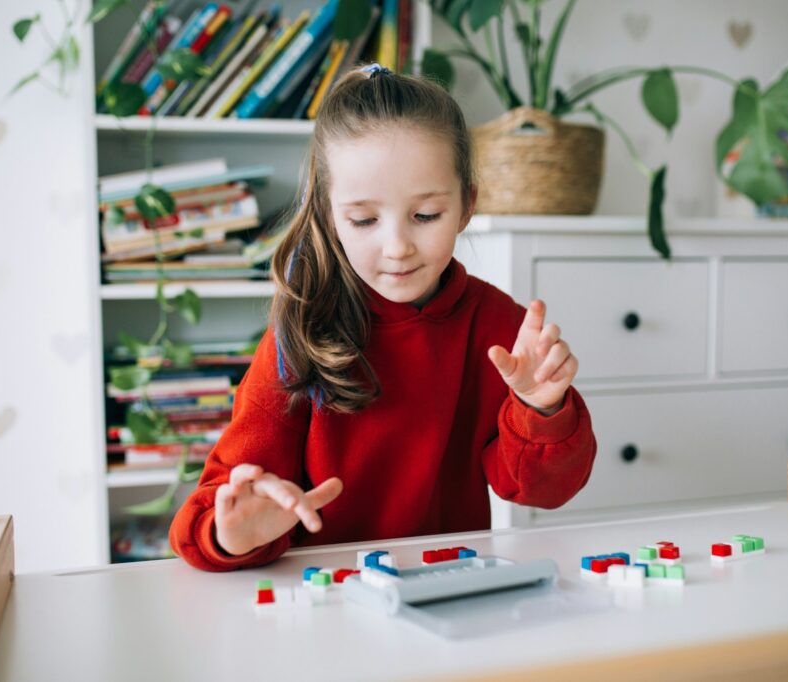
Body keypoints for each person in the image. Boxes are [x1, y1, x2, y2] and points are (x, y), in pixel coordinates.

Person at [169, 64, 597, 571]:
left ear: (466, 207)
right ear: (331, 217)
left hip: (447, 589)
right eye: (364, 220)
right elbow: (212, 509)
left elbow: (541, 490)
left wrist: (542, 408)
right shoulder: (300, 334)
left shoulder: (501, 332)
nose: (397, 247)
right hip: (327, 599)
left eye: (425, 216)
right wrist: (233, 533)